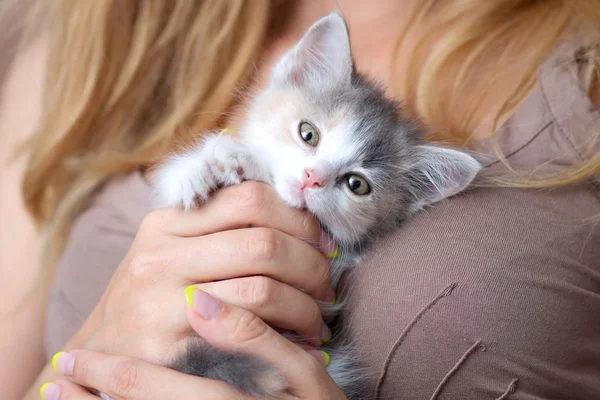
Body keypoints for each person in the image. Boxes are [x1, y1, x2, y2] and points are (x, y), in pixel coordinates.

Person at [1, 1, 598, 399]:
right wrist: (83, 366)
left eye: (355, 184)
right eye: (309, 135)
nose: (313, 181)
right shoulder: (109, 19)